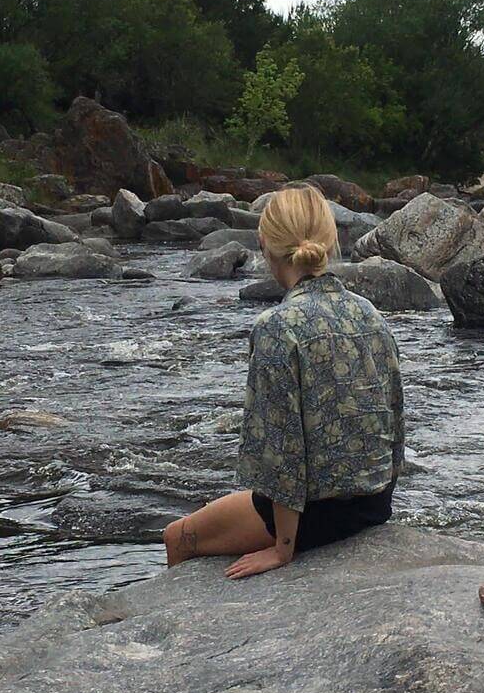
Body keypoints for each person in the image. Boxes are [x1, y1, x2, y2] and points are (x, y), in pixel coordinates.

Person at [163, 183, 405, 579]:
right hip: (374, 505)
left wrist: (282, 549)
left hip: (314, 515)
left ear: (265, 245)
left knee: (178, 536)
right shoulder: (370, 313)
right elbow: (395, 416)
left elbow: (281, 449)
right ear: (330, 242)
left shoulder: (277, 326)